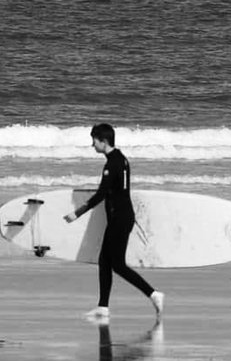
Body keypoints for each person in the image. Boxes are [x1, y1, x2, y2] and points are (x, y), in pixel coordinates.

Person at [63, 123, 165, 323]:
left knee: (117, 264)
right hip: (122, 216)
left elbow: (101, 194)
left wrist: (78, 213)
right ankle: (103, 307)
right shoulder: (122, 159)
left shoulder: (112, 164)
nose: (92, 145)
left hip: (119, 218)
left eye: (94, 141)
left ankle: (153, 294)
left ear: (103, 141)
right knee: (105, 261)